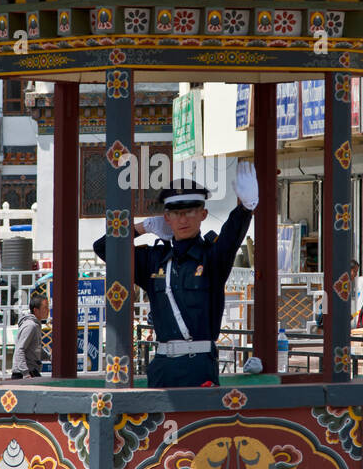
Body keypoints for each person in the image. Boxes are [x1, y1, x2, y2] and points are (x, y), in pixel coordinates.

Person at [93, 161, 258, 388]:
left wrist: (245, 208)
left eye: (190, 211)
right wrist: (143, 227)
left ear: (203, 214)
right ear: (166, 218)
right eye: (176, 213)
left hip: (198, 365)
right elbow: (103, 248)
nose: (183, 220)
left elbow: (230, 238)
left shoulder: (212, 258)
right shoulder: (153, 260)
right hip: (162, 365)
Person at [10, 291, 49, 379]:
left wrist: (49, 357)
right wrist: (26, 373)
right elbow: (20, 350)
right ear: (36, 310)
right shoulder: (30, 326)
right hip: (24, 373)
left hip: (32, 371)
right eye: (45, 308)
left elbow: (34, 348)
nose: (48, 311)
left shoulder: (36, 325)